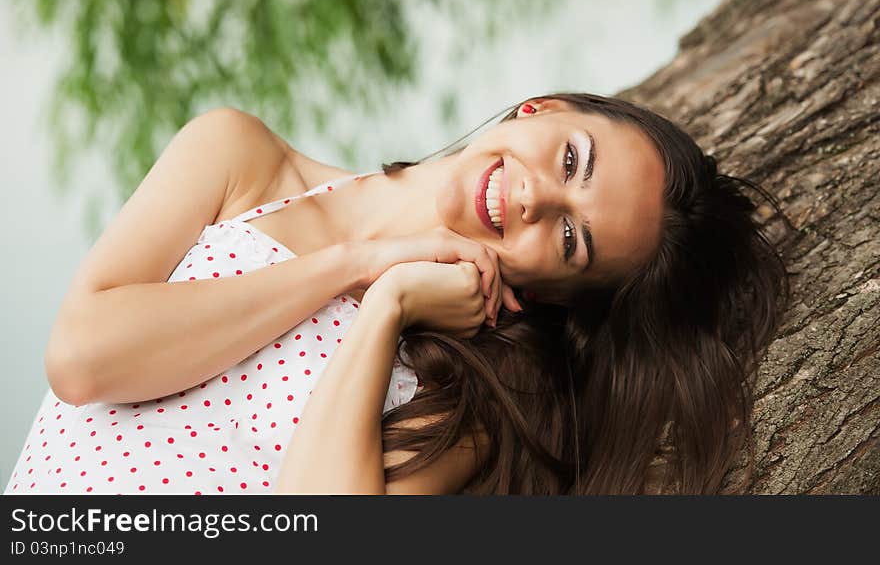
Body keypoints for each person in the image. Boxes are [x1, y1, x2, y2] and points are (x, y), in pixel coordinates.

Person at [3, 92, 789, 495]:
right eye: (571, 160)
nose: (535, 199)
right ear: (541, 109)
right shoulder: (239, 160)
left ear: (556, 293)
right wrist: (355, 266)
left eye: (571, 238)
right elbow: (81, 359)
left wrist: (386, 309)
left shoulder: (479, 386)